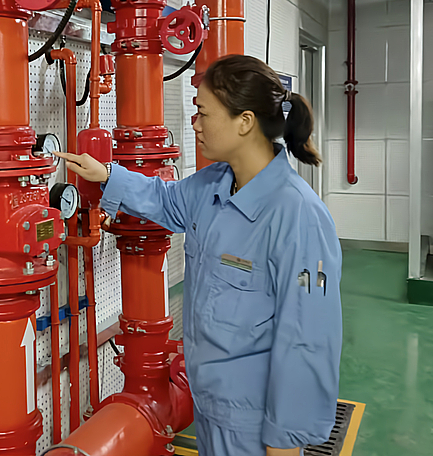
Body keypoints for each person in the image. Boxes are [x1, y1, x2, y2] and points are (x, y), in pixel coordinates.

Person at [55, 54, 342, 456]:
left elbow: (307, 341)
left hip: (255, 426)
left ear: (244, 122)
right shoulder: (213, 185)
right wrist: (106, 175)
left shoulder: (298, 216)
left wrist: (285, 441)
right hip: (209, 407)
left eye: (204, 113)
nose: (195, 124)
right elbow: (165, 200)